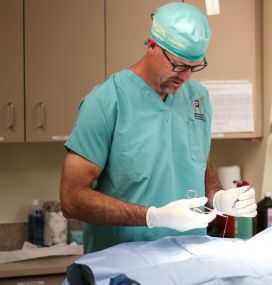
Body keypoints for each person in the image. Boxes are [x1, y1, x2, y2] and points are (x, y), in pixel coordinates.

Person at [60, 2, 257, 253]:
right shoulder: (107, 102)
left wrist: (218, 197)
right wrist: (152, 216)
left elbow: (200, 166)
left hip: (188, 259)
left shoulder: (198, 98)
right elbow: (72, 198)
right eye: (178, 65)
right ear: (152, 46)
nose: (185, 77)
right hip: (123, 265)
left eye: (194, 67)